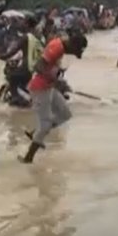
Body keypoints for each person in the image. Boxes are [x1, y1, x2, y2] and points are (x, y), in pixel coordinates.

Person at [19, 33, 88, 164]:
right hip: (39, 88)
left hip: (49, 87)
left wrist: (60, 81)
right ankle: (28, 157)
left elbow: (51, 68)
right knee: (45, 125)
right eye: (75, 51)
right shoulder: (56, 47)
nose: (73, 54)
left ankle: (36, 133)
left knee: (65, 114)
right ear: (72, 45)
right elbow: (38, 66)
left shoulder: (61, 47)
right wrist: (56, 81)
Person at [0, 16, 45, 106]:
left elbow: (14, 50)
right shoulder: (38, 37)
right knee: (22, 82)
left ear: (27, 24)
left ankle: (16, 98)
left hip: (26, 67)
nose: (21, 24)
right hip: (35, 68)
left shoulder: (26, 37)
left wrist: (2, 56)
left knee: (12, 77)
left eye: (23, 22)